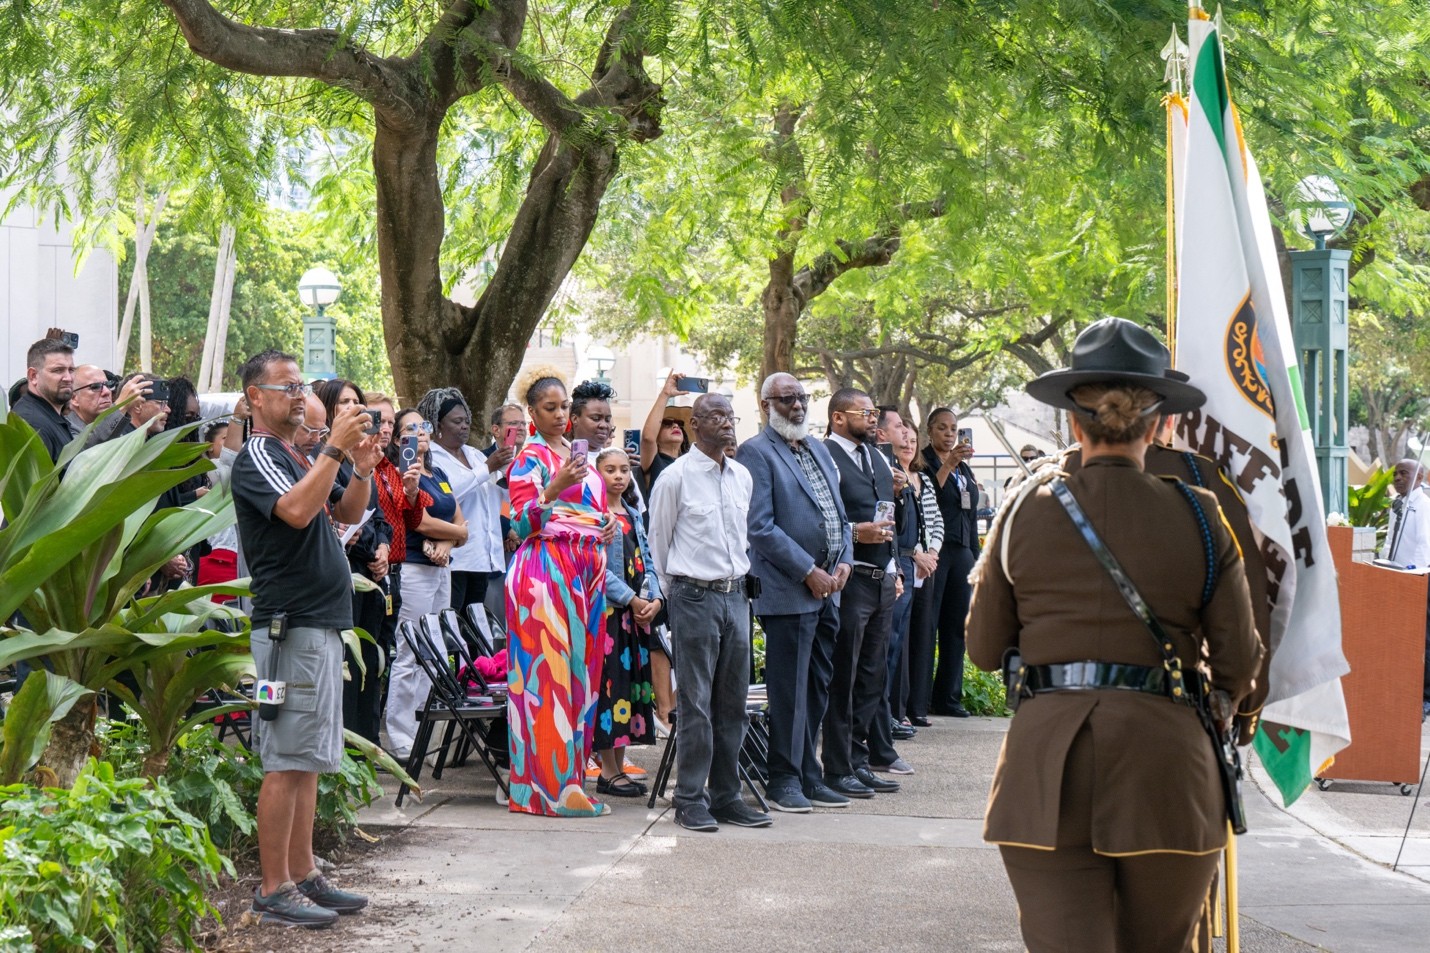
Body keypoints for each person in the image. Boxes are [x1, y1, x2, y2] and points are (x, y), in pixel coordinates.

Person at [966, 317, 1263, 953]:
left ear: (1074, 423)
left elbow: (984, 648)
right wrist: (1223, 702)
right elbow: (1240, 660)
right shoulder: (1200, 512)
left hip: (1045, 774)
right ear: (1159, 425)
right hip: (1169, 768)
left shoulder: (1021, 509)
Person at [231, 349, 380, 928]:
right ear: (254, 400)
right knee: (285, 757)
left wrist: (360, 466)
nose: (298, 395)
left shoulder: (296, 454)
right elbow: (295, 511)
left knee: (309, 758)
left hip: (316, 624)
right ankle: (274, 889)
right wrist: (336, 449)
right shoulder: (259, 455)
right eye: (285, 386)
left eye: (301, 385)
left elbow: (344, 509)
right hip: (285, 629)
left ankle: (304, 872)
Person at [648, 392, 770, 831]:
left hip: (736, 596)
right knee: (696, 703)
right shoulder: (675, 478)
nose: (726, 423)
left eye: (730, 415)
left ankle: (726, 796)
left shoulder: (741, 476)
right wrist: (672, 595)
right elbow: (658, 545)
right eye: (715, 416)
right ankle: (689, 798)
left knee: (732, 701)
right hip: (693, 597)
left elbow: (743, 542)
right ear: (695, 425)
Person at [737, 372, 853, 812]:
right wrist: (808, 570)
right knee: (789, 689)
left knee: (818, 685)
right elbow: (760, 527)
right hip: (790, 590)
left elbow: (839, 515)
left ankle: (809, 772)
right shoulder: (755, 452)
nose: (797, 406)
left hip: (832, 587)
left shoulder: (818, 448)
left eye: (802, 397)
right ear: (767, 404)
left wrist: (842, 561)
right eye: (786, 399)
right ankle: (782, 778)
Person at [504, 368, 616, 817]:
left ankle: (571, 782)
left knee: (582, 678)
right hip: (544, 571)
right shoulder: (529, 456)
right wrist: (552, 487)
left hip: (586, 571)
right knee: (548, 678)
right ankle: (548, 789)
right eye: (549, 408)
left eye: (564, 406)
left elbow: (593, 509)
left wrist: (607, 522)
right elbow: (518, 523)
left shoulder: (578, 455)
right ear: (532, 413)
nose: (559, 414)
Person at [821, 388, 908, 797]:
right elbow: (821, 519)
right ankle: (837, 767)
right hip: (849, 579)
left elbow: (887, 515)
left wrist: (893, 566)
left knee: (873, 676)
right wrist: (856, 533)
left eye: (875, 413)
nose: (874, 419)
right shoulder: (825, 456)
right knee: (846, 675)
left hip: (881, 579)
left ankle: (860, 760)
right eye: (865, 413)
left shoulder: (876, 455)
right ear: (839, 418)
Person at [383, 406, 468, 762]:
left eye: (424, 425)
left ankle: (424, 731)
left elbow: (462, 526)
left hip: (441, 567)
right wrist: (453, 534)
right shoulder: (402, 471)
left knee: (435, 652)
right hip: (414, 567)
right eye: (410, 427)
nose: (420, 432)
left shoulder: (440, 471)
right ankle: (401, 735)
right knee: (410, 651)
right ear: (398, 437)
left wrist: (450, 541)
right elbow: (420, 521)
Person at [314, 379, 391, 747]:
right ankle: (344, 746)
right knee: (347, 662)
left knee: (370, 662)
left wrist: (384, 549)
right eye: (342, 402)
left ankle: (367, 743)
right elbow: (339, 508)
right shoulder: (322, 457)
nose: (351, 408)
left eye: (356, 401)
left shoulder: (363, 456)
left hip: (371, 576)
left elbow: (377, 518)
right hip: (342, 573)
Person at [591, 447, 660, 796]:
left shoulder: (633, 512)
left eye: (623, 470)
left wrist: (654, 597)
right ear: (596, 474)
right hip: (611, 615)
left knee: (629, 690)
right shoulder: (596, 516)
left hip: (636, 617)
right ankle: (606, 768)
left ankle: (617, 767)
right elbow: (598, 567)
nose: (618, 476)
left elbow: (647, 559)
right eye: (609, 470)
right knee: (610, 689)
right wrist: (631, 599)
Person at [883, 410, 943, 733]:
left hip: (920, 566)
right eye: (901, 433)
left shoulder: (922, 480)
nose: (908, 441)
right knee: (892, 642)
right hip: (902, 561)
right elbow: (898, 527)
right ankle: (889, 714)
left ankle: (899, 711)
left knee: (907, 641)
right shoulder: (890, 475)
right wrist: (917, 553)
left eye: (911, 437)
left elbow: (934, 522)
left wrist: (932, 552)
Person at [422, 387, 507, 612]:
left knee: (476, 625)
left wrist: (506, 473)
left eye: (467, 420)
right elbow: (446, 497)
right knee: (452, 623)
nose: (464, 426)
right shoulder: (431, 457)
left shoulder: (475, 455)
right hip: (455, 557)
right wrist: (487, 468)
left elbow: (494, 497)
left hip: (482, 555)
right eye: (457, 421)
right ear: (438, 424)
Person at [920, 408, 979, 718]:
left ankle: (948, 697)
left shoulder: (964, 470)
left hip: (962, 552)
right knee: (929, 624)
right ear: (930, 431)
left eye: (953, 428)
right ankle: (920, 697)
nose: (949, 433)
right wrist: (950, 463)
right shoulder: (925, 463)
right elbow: (931, 495)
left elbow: (969, 512)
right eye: (942, 428)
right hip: (935, 552)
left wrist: (977, 560)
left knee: (957, 628)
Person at [14, 338, 76, 461]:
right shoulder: (31, 424)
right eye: (58, 370)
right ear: (33, 376)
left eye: (71, 370)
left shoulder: (49, 416)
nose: (68, 378)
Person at [639, 370, 692, 494]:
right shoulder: (654, 460)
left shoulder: (692, 462)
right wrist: (665, 393)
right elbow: (648, 438)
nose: (675, 426)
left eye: (680, 424)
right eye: (667, 423)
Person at [67, 364, 113, 432]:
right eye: (95, 386)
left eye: (108, 384)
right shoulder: (67, 431)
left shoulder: (111, 425)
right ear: (74, 398)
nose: (106, 392)